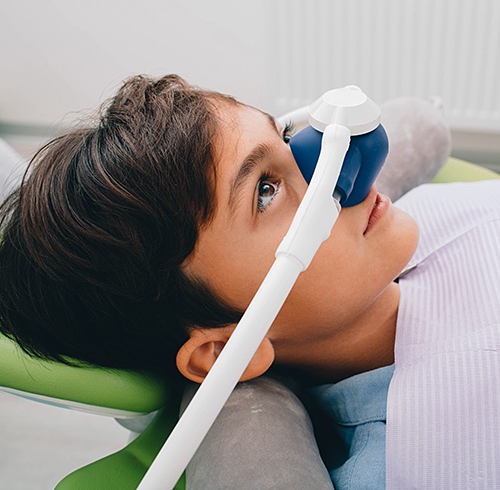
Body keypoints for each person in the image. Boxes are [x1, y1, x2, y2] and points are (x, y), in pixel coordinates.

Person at [0, 74, 499, 488]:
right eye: (265, 192)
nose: (336, 164)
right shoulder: (423, 456)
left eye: (283, 139)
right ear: (224, 351)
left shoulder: (429, 219)